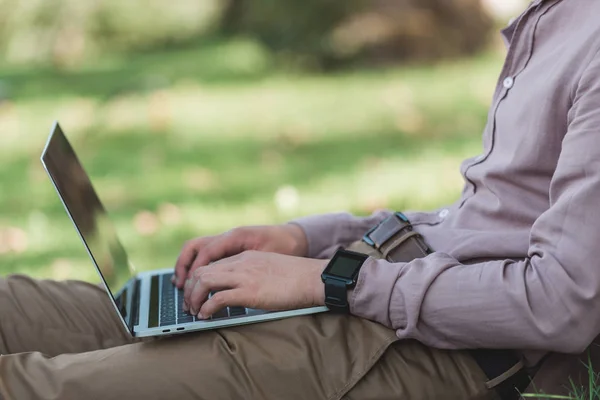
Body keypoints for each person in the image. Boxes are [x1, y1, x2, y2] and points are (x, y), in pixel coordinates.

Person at [1, 0, 600, 398]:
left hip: (453, 350)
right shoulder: (555, 18)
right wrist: (304, 240)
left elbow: (559, 303)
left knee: (34, 387)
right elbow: (486, 225)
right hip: (385, 296)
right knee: (12, 307)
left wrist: (331, 281)